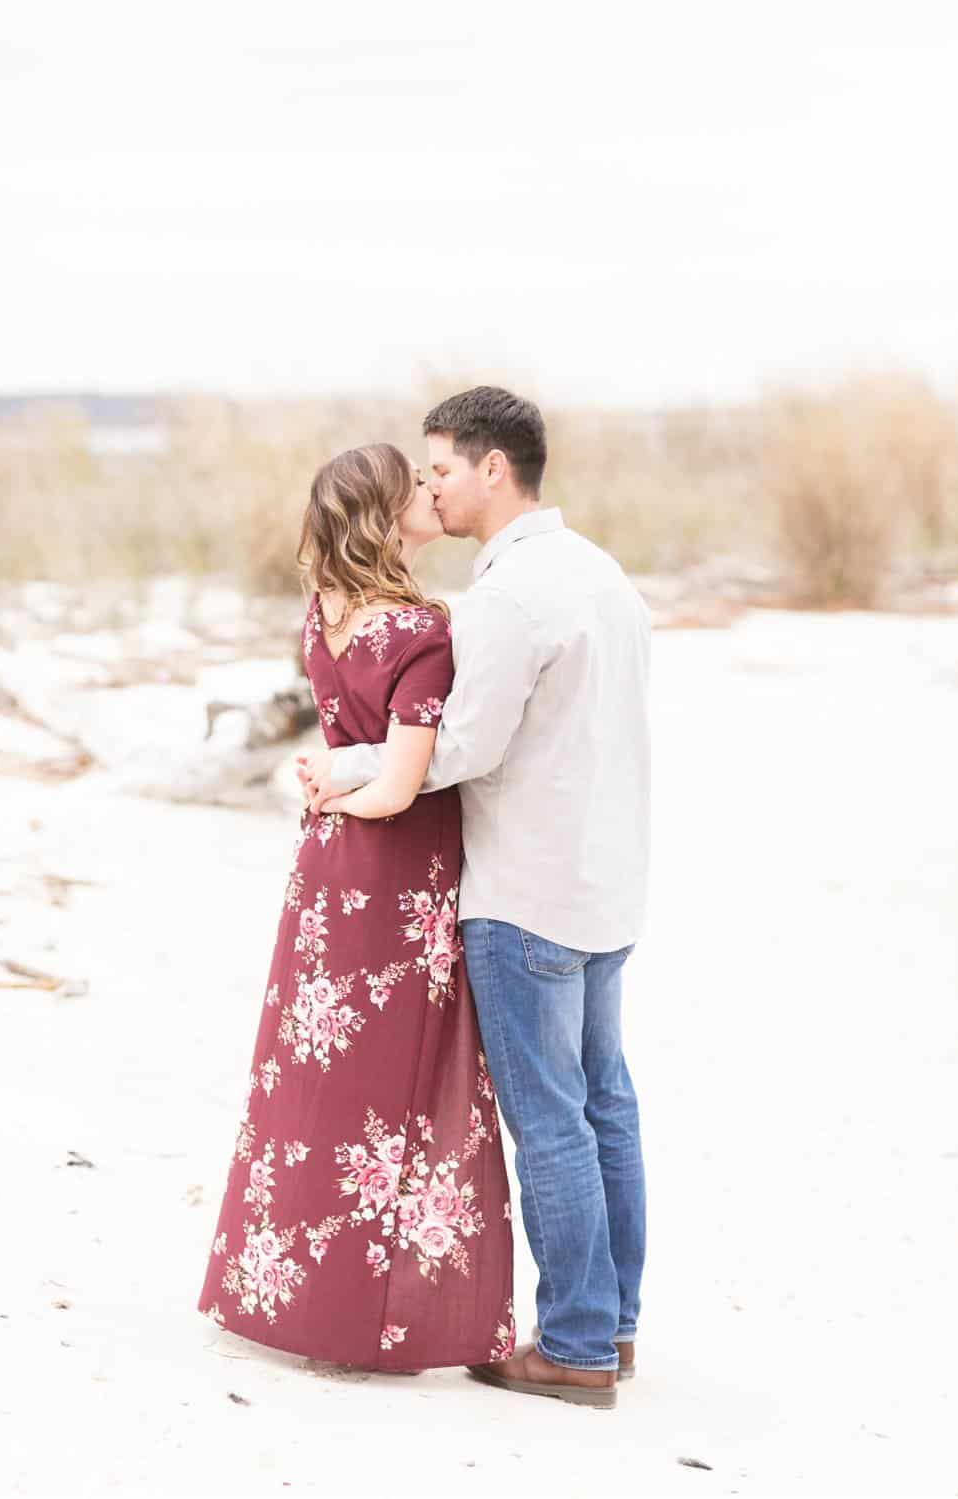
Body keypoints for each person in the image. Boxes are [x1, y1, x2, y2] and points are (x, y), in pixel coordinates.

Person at [302, 387, 651, 1410]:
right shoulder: (601, 573)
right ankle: (613, 1325)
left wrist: (346, 758)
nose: (434, 490)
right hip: (609, 880)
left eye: (442, 470)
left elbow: (460, 746)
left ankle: (577, 1342)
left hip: (526, 890)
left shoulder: (508, 598)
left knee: (551, 1122)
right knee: (604, 1110)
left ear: (493, 468)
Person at [197, 442, 515, 1372]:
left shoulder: (320, 616)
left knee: (313, 1085)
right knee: (396, 1094)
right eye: (412, 485)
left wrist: (326, 787)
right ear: (383, 516)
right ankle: (369, 1319)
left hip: (326, 874)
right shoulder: (421, 629)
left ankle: (294, 1297)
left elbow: (353, 753)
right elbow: (397, 786)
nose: (429, 490)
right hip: (393, 881)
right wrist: (345, 789)